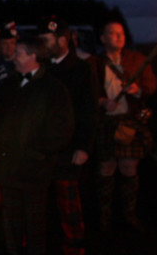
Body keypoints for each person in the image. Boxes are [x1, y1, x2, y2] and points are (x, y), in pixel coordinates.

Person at [0, 35, 75, 255]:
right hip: (8, 169)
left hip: (35, 170)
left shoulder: (53, 88)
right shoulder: (9, 84)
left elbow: (61, 128)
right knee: (10, 224)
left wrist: (36, 152)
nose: (13, 56)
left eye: (19, 52)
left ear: (33, 56)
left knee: (36, 225)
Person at [37, 16, 98, 254]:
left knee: (68, 204)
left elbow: (89, 111)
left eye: (46, 39)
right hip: (43, 149)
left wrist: (84, 147)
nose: (41, 43)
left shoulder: (82, 69)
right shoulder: (42, 68)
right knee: (42, 204)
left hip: (69, 149)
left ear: (62, 40)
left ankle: (74, 246)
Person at [89, 20, 157, 231]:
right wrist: (101, 101)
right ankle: (104, 216)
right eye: (112, 33)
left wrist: (137, 90)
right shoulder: (94, 63)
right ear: (102, 38)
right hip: (107, 122)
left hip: (130, 121)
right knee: (106, 168)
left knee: (129, 167)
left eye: (121, 33)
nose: (118, 36)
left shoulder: (138, 59)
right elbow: (87, 91)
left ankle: (129, 214)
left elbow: (151, 85)